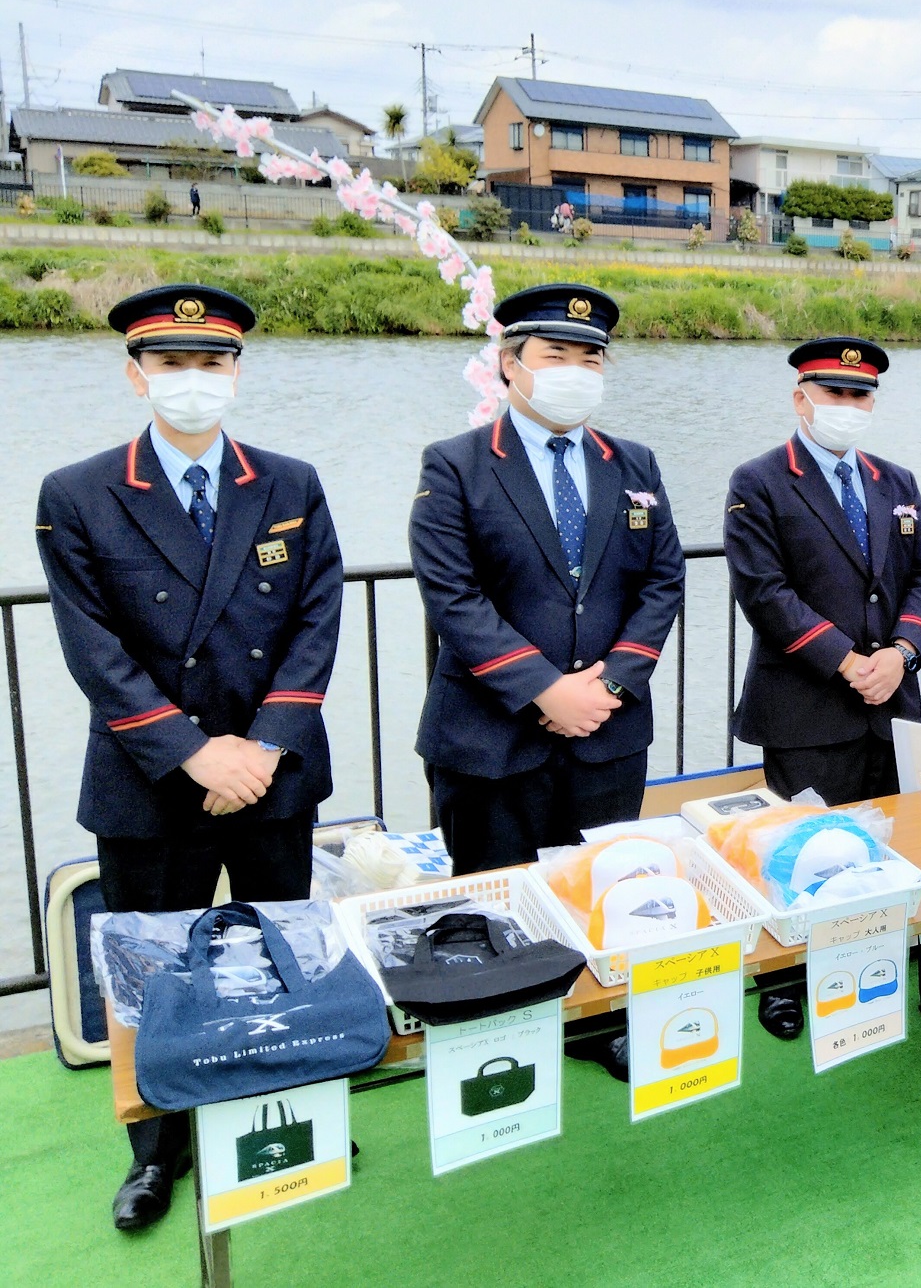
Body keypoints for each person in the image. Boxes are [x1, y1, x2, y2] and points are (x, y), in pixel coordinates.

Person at [36, 284, 342, 1231]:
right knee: (155, 971)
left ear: (237, 373)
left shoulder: (290, 482)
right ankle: (156, 1147)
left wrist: (259, 748)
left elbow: (316, 618)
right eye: (171, 364)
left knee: (286, 953)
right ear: (136, 376)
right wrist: (193, 754)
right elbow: (94, 651)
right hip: (150, 778)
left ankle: (295, 1113)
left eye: (211, 364)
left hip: (272, 768)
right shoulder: (79, 492)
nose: (193, 381)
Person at [410, 282, 685, 876]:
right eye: (554, 357)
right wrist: (545, 689)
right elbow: (453, 597)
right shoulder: (456, 463)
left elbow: (664, 581)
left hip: (607, 740)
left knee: (604, 904)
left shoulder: (634, 462)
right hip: (490, 745)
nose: (576, 372)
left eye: (590, 359)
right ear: (510, 363)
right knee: (496, 927)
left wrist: (612, 684)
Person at [723, 336, 921, 1039]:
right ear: (801, 398)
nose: (847, 406)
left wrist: (902, 652)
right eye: (834, 393)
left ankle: (871, 961)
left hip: (889, 702)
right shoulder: (758, 481)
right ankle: (786, 980)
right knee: (803, 849)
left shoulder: (895, 480)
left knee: (880, 846)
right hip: (808, 704)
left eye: (859, 394)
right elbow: (764, 592)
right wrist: (849, 662)